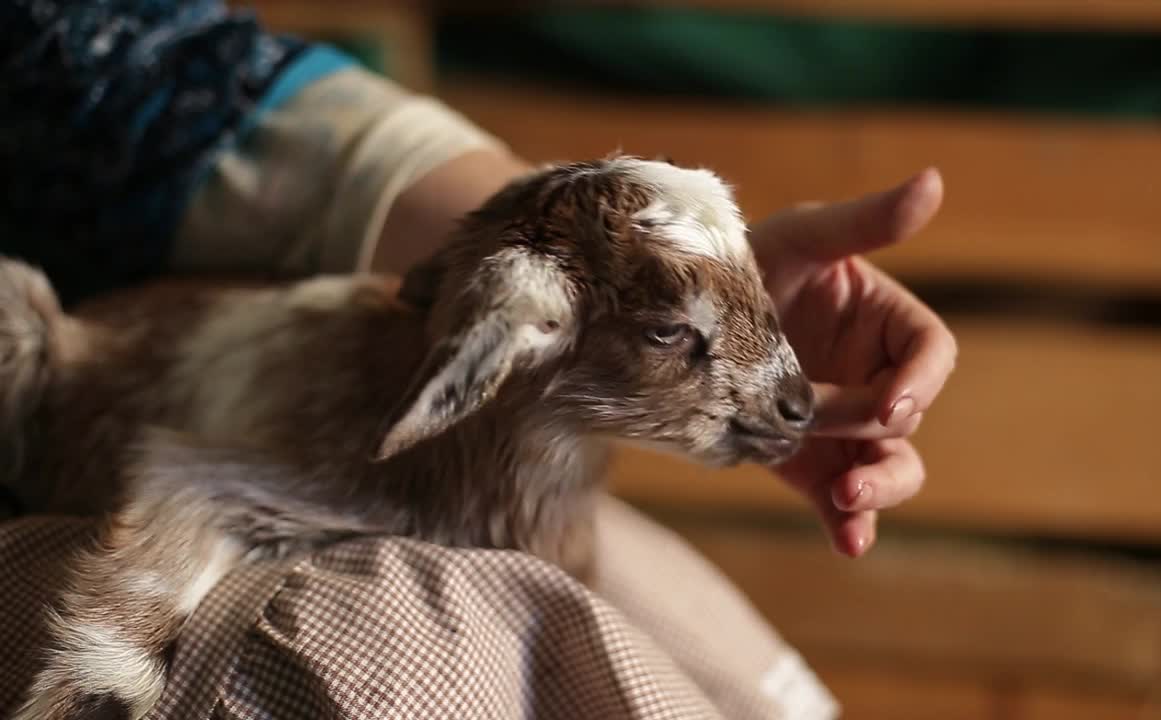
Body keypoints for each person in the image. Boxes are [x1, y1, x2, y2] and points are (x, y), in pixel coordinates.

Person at [0, 2, 956, 718]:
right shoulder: (440, 395)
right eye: (677, 336)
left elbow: (140, 73)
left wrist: (659, 279)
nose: (779, 396)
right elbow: (198, 497)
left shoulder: (527, 409)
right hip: (76, 437)